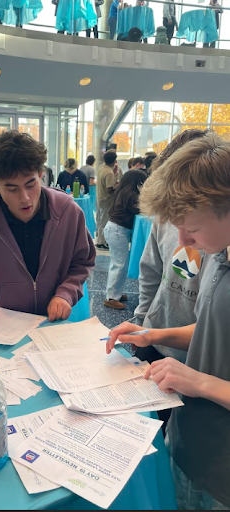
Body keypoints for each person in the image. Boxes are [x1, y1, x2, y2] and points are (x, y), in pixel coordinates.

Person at [106, 132, 230, 510]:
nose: (183, 239)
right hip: (192, 445)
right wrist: (153, 334)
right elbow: (213, 332)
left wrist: (200, 381)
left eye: (190, 227)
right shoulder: (220, 254)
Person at [0, 130, 95, 321]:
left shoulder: (68, 212)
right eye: (12, 189)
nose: (25, 198)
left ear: (41, 175)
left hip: (50, 325)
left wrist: (66, 292)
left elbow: (82, 261)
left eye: (30, 184)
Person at [134, 129, 208, 434]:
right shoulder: (164, 217)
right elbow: (151, 272)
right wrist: (143, 326)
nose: (183, 237)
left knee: (184, 437)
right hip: (155, 337)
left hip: (197, 358)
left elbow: (215, 327)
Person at [103, 170, 147, 309]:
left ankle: (115, 292)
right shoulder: (131, 195)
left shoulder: (122, 192)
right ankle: (111, 297)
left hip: (115, 230)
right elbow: (142, 209)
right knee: (120, 264)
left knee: (119, 263)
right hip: (117, 231)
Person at [95, 149, 123, 249]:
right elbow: (109, 189)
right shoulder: (109, 173)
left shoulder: (101, 168)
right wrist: (119, 185)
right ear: (114, 160)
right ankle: (101, 242)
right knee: (104, 221)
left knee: (100, 220)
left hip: (100, 198)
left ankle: (100, 239)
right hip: (107, 200)